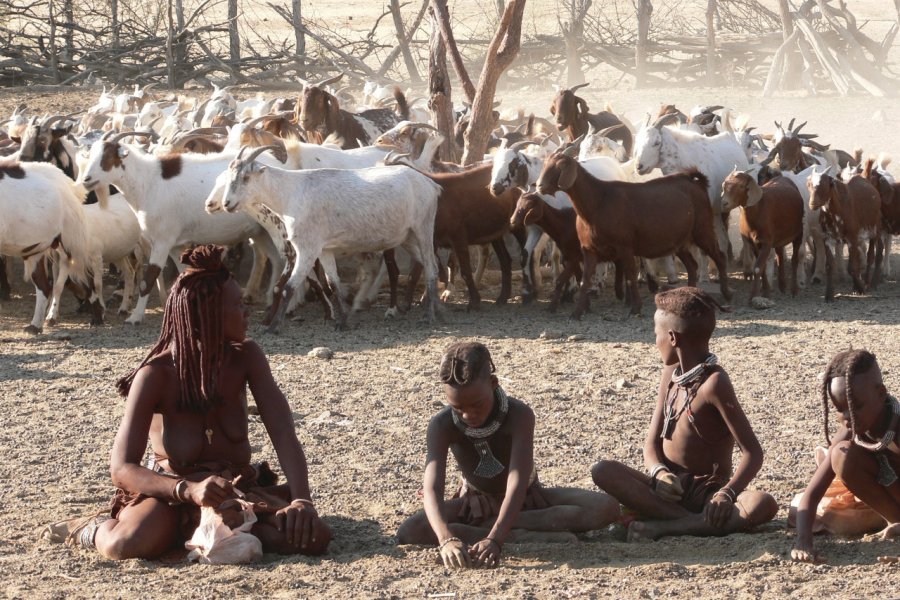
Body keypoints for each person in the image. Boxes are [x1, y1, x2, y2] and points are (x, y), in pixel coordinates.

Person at [45, 245, 331, 559]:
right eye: (238, 305)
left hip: (234, 493)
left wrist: (302, 500)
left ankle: (216, 529)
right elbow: (122, 468)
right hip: (171, 495)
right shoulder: (155, 375)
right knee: (126, 544)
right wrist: (189, 490)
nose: (247, 311)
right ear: (207, 313)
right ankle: (91, 527)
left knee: (311, 537)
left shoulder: (247, 357)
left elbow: (283, 432)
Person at [397, 341, 619, 569]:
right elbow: (433, 487)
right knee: (411, 530)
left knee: (605, 507)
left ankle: (495, 527)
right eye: (457, 408)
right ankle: (520, 535)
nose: (467, 414)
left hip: (527, 498)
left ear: (493, 383)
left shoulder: (519, 415)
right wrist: (446, 539)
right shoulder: (441, 425)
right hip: (475, 503)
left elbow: (517, 482)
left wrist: (495, 538)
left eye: (476, 405)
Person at [591, 287, 777, 541]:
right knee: (603, 470)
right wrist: (659, 473)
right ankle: (690, 523)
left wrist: (727, 494)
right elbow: (651, 443)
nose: (654, 340)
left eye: (656, 334)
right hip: (667, 491)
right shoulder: (671, 375)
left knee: (762, 503)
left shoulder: (714, 383)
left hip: (707, 495)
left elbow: (753, 452)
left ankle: (668, 525)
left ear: (672, 338)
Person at [791, 349, 899, 564]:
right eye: (840, 409)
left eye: (856, 406)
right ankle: (895, 521)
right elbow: (811, 495)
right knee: (840, 454)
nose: (848, 418)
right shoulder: (852, 430)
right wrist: (803, 541)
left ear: (880, 394)